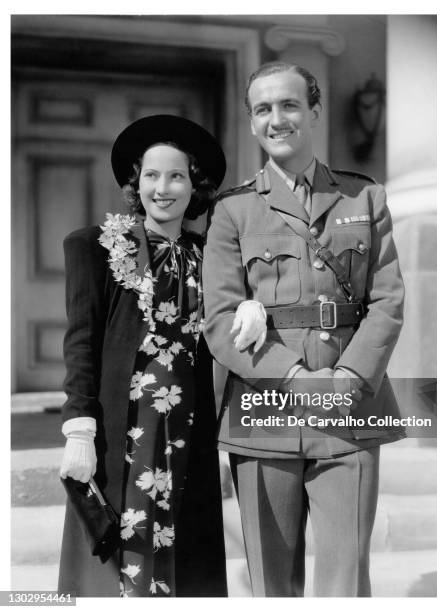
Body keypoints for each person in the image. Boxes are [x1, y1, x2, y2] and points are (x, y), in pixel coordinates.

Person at [203, 62, 406, 597]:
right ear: (251, 122)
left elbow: (387, 299)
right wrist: (292, 375)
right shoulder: (232, 211)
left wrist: (347, 379)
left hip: (351, 409)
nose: (278, 119)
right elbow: (220, 320)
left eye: (290, 105)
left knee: (345, 576)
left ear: (314, 110)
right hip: (264, 408)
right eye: (264, 109)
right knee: (273, 579)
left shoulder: (364, 199)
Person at [58, 115, 267, 597]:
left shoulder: (212, 256)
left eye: (177, 176)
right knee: (121, 555)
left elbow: (233, 316)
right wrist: (78, 428)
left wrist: (253, 304)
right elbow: (80, 344)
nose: (163, 187)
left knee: (186, 552)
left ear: (195, 186)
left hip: (189, 430)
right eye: (152, 175)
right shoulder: (97, 247)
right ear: (137, 183)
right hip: (123, 428)